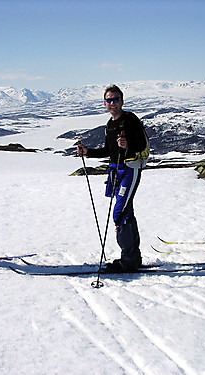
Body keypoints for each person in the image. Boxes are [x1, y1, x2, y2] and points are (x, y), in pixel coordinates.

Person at [77, 85, 147, 272]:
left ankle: (128, 261)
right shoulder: (110, 124)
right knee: (126, 212)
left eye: (116, 99)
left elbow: (141, 144)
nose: (112, 103)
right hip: (117, 171)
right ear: (104, 103)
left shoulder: (130, 119)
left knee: (119, 213)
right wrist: (88, 151)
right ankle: (133, 258)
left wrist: (127, 146)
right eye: (109, 100)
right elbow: (109, 150)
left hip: (130, 169)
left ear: (122, 101)